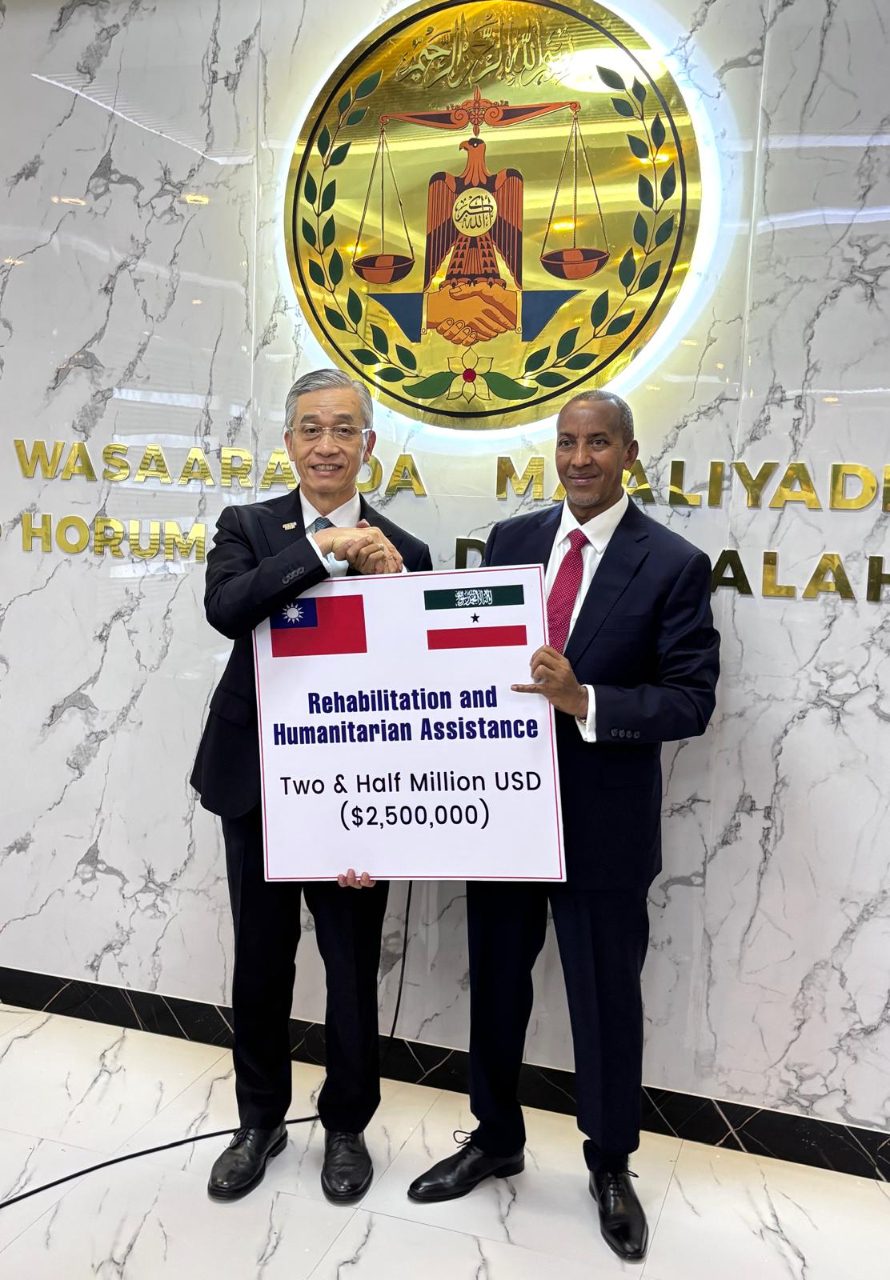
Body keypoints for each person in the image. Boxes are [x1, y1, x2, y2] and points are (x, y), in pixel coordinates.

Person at [408, 390, 719, 1263]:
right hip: (503, 814)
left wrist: (585, 700)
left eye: (599, 443)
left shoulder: (673, 563)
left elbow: (691, 700)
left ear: (629, 453)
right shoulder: (512, 541)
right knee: (496, 987)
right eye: (568, 443)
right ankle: (494, 1138)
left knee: (605, 1001)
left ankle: (610, 1164)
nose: (581, 459)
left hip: (602, 827)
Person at [191, 368, 432, 1204]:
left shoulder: (408, 551)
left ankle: (347, 1127)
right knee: (261, 963)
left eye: (343, 429)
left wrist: (386, 584)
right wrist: (327, 550)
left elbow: (413, 684)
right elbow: (229, 608)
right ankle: (258, 1121)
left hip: (357, 796)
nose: (327, 445)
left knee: (352, 968)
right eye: (311, 429)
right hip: (257, 786)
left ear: (370, 444)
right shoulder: (250, 527)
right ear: (289, 441)